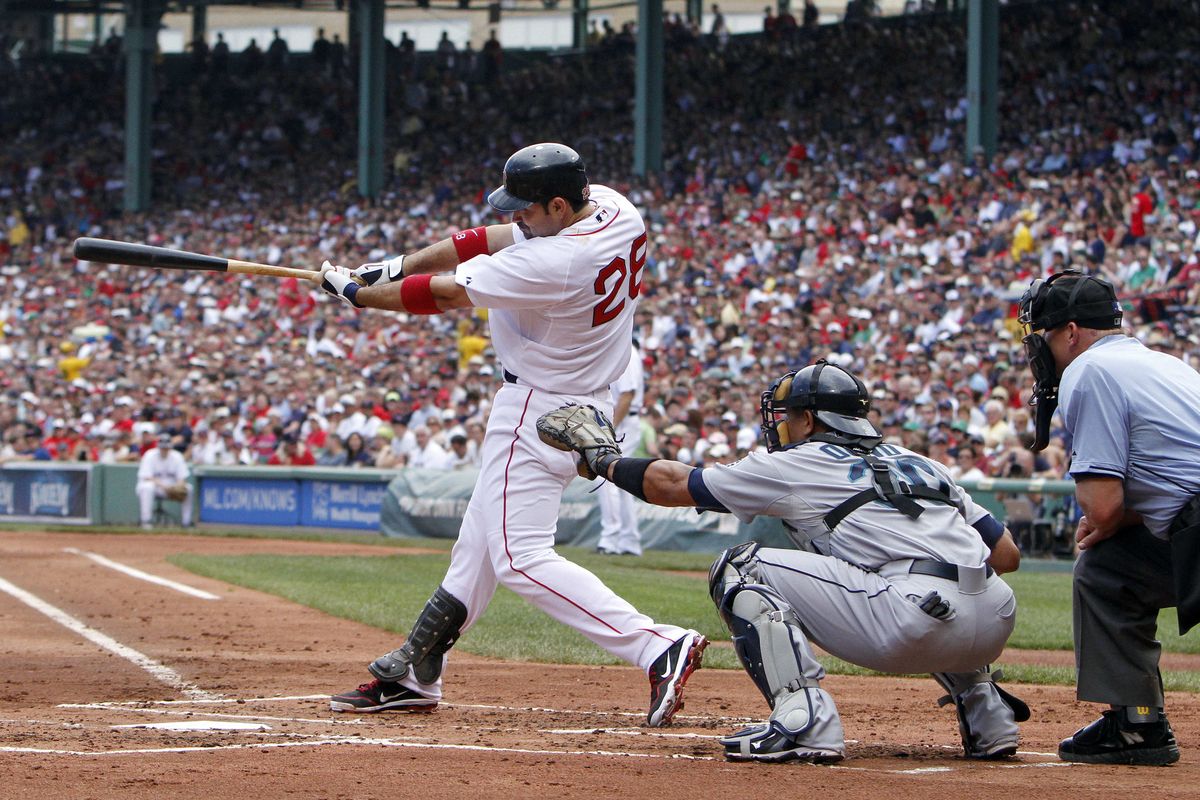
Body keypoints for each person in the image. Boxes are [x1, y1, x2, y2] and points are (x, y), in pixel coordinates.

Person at [319, 142, 705, 727]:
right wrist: (400, 265)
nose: (514, 216)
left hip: (536, 408)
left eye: (525, 207)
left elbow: (448, 294)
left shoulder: (558, 262)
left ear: (556, 203)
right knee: (475, 551)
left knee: (517, 557)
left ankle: (655, 645)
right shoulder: (614, 208)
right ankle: (416, 671)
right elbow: (487, 239)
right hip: (576, 397)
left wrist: (357, 294)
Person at [537, 359, 1026, 762]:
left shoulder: (797, 462)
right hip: (995, 618)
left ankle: (803, 719)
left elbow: (670, 485)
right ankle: (989, 718)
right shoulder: (922, 462)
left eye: (789, 416)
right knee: (951, 587)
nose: (784, 425)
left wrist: (604, 461)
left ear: (809, 420)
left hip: (910, 621)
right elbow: (1006, 556)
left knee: (738, 566)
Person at [1019, 269, 1200, 766]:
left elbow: (1101, 508)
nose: (1041, 350)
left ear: (1071, 331)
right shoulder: (1163, 362)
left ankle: (1138, 725)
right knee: (1111, 570)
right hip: (1190, 521)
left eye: (1045, 335)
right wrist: (1117, 520)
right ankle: (1135, 722)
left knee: (1101, 565)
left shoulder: (1088, 371)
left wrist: (1107, 520)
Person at [596, 342, 645, 556]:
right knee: (622, 482)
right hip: (622, 419)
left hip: (623, 421)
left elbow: (627, 395)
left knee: (605, 476)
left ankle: (611, 538)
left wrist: (609, 428)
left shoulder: (626, 350)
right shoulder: (619, 347)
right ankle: (629, 540)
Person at [136, 433, 193, 529]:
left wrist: (177, 486)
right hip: (156, 487)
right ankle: (146, 522)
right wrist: (164, 487)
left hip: (171, 487)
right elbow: (146, 476)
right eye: (163, 448)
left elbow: (182, 478)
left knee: (189, 489)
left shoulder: (177, 456)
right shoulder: (150, 455)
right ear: (158, 447)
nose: (164, 450)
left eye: (167, 448)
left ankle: (186, 522)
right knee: (147, 487)